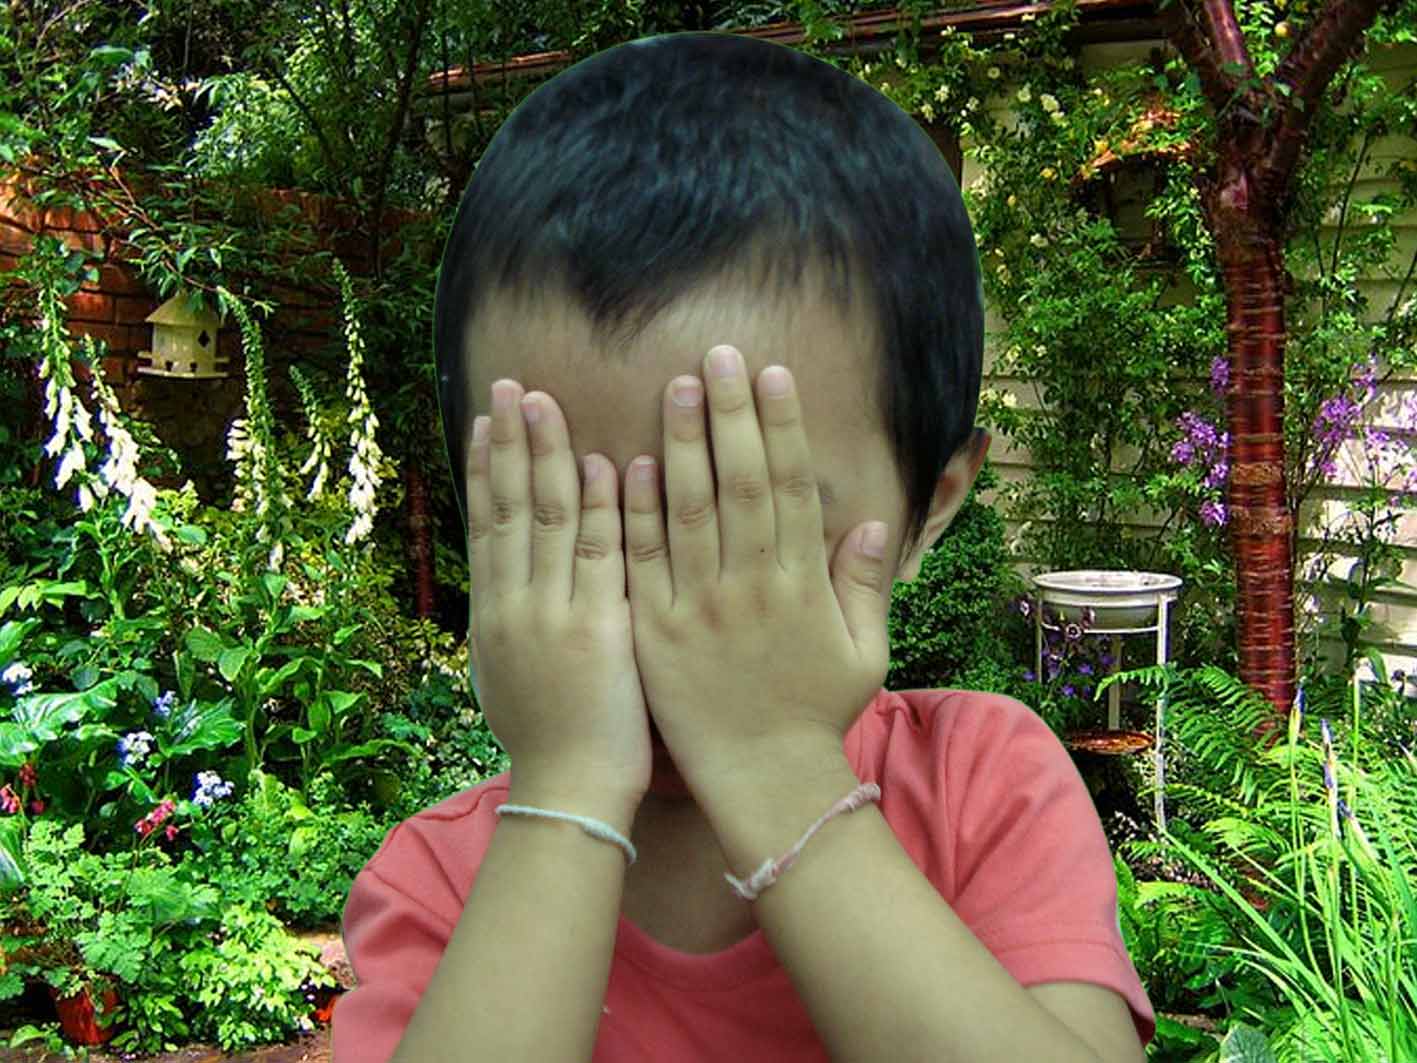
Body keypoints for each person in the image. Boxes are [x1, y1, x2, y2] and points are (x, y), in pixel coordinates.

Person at [333, 30, 1155, 1063]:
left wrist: (780, 768)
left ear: (929, 507)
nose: (667, 606)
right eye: (576, 526)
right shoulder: (444, 889)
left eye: (742, 523)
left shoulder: (980, 788)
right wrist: (569, 789)